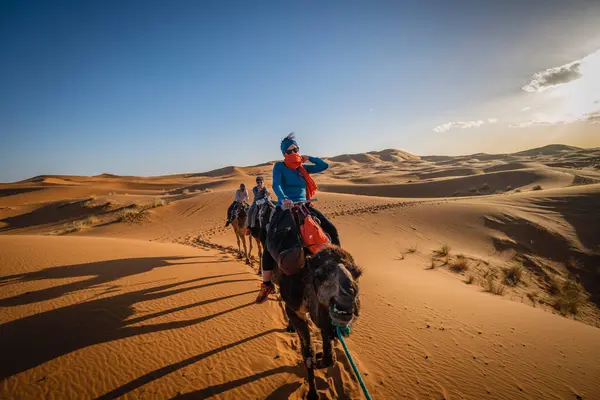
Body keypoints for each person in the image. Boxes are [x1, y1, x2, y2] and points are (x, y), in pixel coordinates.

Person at [255, 133, 340, 304]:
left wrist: (310, 158)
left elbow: (324, 165)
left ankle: (339, 266)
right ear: (284, 153)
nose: (294, 152)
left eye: (296, 149)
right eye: (290, 150)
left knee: (331, 230)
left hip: (305, 206)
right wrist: (284, 198)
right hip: (285, 208)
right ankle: (266, 284)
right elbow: (276, 185)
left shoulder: (303, 168)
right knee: (270, 242)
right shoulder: (279, 167)